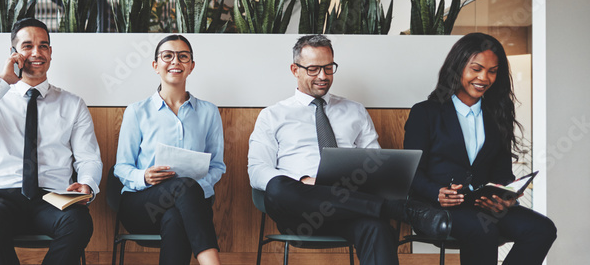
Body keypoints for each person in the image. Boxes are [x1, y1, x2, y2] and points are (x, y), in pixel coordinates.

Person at [247, 34, 451, 265]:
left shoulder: (354, 111)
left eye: (328, 68)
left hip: (350, 210)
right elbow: (257, 171)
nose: (323, 76)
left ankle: (386, 209)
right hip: (301, 212)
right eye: (313, 69)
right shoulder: (273, 115)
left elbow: (376, 164)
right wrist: (303, 181)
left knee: (377, 228)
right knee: (277, 187)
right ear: (295, 69)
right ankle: (399, 210)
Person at [0, 18, 103, 265]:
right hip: (2, 196)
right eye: (27, 46)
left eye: (43, 46)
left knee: (79, 222)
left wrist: (87, 183)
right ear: (13, 53)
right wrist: (2, 81)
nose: (36, 53)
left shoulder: (73, 104)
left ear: (50, 53)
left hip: (54, 198)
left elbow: (89, 158)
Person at [403, 32, 556, 264]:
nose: (484, 78)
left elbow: (503, 173)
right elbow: (411, 171)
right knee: (482, 229)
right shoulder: (426, 112)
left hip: (483, 206)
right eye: (476, 69)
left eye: (492, 71)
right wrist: (437, 192)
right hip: (438, 206)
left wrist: (507, 198)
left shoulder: (497, 114)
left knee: (542, 228)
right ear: (458, 67)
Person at [114, 35, 225, 265]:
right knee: (183, 188)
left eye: (183, 56)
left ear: (191, 66)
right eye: (168, 56)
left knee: (176, 215)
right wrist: (143, 176)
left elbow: (217, 166)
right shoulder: (136, 111)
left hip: (188, 206)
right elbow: (122, 167)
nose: (176, 61)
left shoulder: (209, 112)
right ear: (156, 66)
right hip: (142, 204)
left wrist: (195, 187)